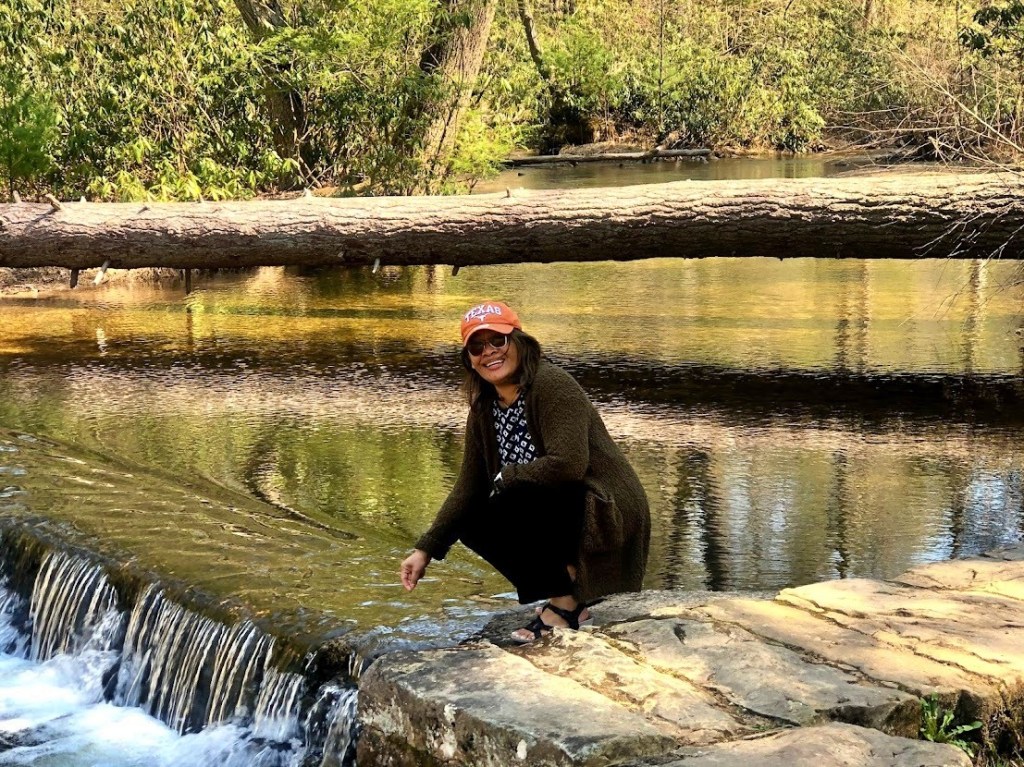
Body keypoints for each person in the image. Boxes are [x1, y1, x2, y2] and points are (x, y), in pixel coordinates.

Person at [400, 300, 651, 643]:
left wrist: (507, 477)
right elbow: (468, 487)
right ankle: (564, 588)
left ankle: (567, 605)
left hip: (606, 507)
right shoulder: (484, 410)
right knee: (472, 519)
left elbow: (569, 464)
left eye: (498, 340)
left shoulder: (552, 385)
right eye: (477, 346)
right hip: (556, 506)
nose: (489, 352)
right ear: (469, 359)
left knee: (516, 493)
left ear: (519, 343)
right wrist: (425, 550)